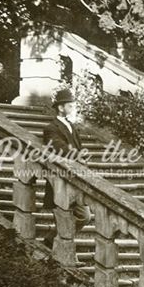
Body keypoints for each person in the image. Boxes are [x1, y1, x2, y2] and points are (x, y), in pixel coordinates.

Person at [41, 87, 92, 250]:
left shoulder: (71, 126)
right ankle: (63, 253)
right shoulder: (51, 128)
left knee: (85, 216)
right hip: (60, 181)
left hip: (74, 179)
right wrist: (77, 154)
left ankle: (50, 239)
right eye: (69, 105)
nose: (72, 108)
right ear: (60, 107)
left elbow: (76, 147)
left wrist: (82, 156)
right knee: (66, 217)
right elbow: (58, 146)